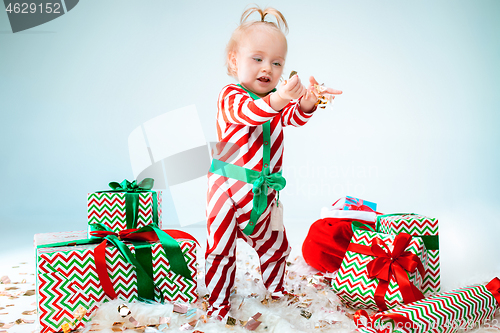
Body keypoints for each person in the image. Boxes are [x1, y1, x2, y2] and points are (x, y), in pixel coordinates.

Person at [204, 6, 342, 319]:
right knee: (220, 250)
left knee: (276, 246)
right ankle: (217, 304)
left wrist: (308, 100)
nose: (268, 67)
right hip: (227, 189)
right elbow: (251, 113)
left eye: (277, 62)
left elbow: (293, 116)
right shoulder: (230, 96)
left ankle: (277, 292)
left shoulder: (274, 103)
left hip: (263, 194)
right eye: (258, 58)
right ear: (234, 60)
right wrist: (280, 98)